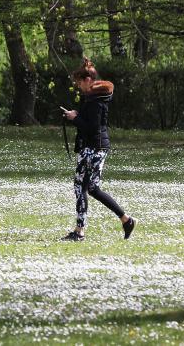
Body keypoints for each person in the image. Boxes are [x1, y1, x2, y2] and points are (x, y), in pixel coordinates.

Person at [60, 58, 136, 242]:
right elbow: (91, 123)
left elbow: (92, 128)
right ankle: (126, 220)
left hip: (93, 148)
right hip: (98, 147)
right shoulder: (95, 97)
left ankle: (79, 232)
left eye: (79, 82)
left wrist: (74, 119)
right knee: (92, 188)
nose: (78, 86)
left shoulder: (95, 100)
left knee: (81, 187)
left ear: (88, 80)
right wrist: (78, 116)